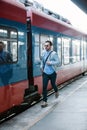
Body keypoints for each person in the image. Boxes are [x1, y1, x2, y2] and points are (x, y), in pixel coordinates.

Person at [40, 40, 60, 108]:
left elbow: (58, 62)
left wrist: (50, 63)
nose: (45, 47)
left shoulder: (54, 53)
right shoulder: (43, 52)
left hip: (52, 73)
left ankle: (56, 91)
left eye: (47, 45)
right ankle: (45, 101)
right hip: (45, 72)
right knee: (44, 87)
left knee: (53, 84)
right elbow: (42, 61)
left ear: (50, 46)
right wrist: (41, 67)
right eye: (45, 45)